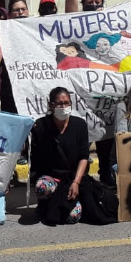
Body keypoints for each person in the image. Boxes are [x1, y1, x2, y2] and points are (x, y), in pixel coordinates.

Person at [29, 87, 89, 225]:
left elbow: (84, 156)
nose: (64, 107)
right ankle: (45, 205)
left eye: (67, 103)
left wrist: (76, 182)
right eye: (59, 103)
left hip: (72, 178)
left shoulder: (80, 125)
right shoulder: (41, 126)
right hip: (51, 177)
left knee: (72, 217)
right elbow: (36, 157)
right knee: (42, 187)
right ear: (51, 105)